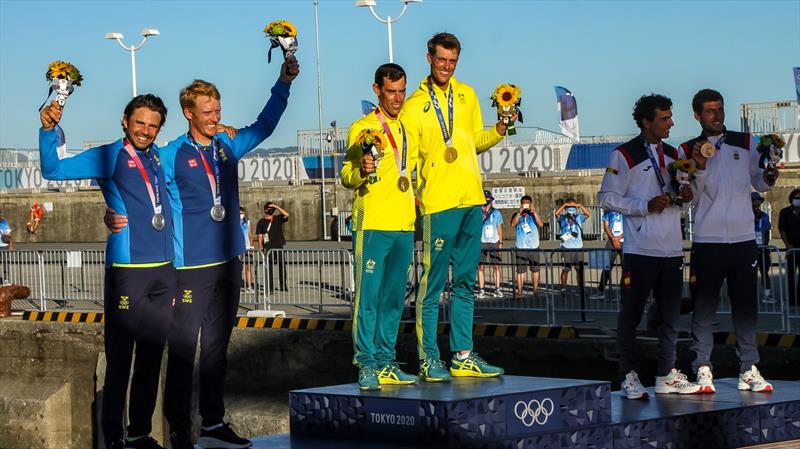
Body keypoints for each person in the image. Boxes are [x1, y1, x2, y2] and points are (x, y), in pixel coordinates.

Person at [106, 59, 299, 449]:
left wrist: (283, 82)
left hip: (229, 262)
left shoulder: (228, 144)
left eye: (218, 110)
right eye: (207, 112)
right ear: (188, 113)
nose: (215, 117)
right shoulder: (169, 153)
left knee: (216, 351)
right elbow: (137, 184)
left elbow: (264, 126)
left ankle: (212, 424)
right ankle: (179, 428)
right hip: (189, 269)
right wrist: (112, 211)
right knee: (181, 353)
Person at [40, 94, 176, 449]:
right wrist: (47, 129)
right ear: (125, 120)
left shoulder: (158, 156)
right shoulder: (108, 154)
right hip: (128, 270)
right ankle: (114, 438)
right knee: (119, 359)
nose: (145, 130)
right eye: (139, 122)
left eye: (153, 125)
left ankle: (139, 432)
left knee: (150, 357)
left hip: (163, 272)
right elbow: (54, 170)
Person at [402, 32, 508, 381]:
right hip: (438, 204)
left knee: (464, 283)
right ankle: (429, 358)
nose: (447, 66)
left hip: (471, 199)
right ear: (428, 58)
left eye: (453, 61)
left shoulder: (467, 95)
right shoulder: (414, 104)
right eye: (441, 60)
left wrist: (500, 129)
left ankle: (463, 355)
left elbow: (473, 141)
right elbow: (410, 159)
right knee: (431, 286)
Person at [598, 93, 700, 400]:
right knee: (630, 315)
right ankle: (628, 376)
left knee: (670, 315)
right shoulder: (624, 155)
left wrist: (686, 194)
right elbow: (606, 198)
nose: (671, 123)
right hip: (641, 249)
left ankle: (666, 374)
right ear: (646, 122)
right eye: (664, 119)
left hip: (671, 248)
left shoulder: (674, 155)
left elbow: (684, 190)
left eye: (671, 117)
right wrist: (644, 205)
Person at [682, 88, 776, 394]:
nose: (717, 115)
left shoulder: (746, 142)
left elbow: (758, 181)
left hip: (743, 238)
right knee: (704, 309)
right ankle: (703, 369)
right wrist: (701, 166)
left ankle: (748, 369)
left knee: (746, 308)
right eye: (710, 111)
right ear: (697, 115)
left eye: (720, 109)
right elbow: (690, 197)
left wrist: (769, 178)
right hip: (708, 240)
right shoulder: (687, 150)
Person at [341, 63, 419, 390]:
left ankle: (387, 361)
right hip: (372, 224)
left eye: (402, 91)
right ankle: (366, 362)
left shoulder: (408, 127)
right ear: (377, 90)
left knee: (393, 300)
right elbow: (346, 175)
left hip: (403, 225)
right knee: (368, 299)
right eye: (391, 91)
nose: (398, 98)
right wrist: (362, 167)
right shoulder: (362, 127)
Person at [554, 198, 590, 291]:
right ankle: (563, 287)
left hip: (578, 246)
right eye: (569, 207)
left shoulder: (578, 217)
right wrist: (564, 205)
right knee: (566, 269)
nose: (571, 208)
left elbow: (588, 214)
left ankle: (580, 288)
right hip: (566, 247)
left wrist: (580, 206)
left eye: (573, 207)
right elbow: (556, 214)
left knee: (579, 270)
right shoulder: (562, 218)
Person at [511, 195, 543, 297]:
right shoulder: (517, 214)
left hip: (533, 245)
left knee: (535, 269)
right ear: (520, 204)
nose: (526, 205)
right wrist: (519, 213)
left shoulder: (533, 215)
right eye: (524, 203)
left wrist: (535, 212)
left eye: (528, 203)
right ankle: (520, 291)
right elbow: (513, 224)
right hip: (521, 246)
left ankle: (535, 290)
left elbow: (541, 224)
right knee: (520, 271)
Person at [255, 201, 290, 292]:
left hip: (278, 245)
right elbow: (260, 235)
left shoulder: (278, 218)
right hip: (268, 247)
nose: (270, 210)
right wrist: (260, 247)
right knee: (269, 267)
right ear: (265, 210)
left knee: (282, 265)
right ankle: (270, 287)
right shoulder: (261, 222)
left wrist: (276, 206)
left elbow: (287, 214)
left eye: (272, 209)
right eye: (269, 208)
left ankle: (283, 286)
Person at [591, 209, 624, 300]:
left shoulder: (626, 208)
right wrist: (613, 238)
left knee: (627, 269)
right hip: (611, 241)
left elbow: (630, 226)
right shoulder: (608, 210)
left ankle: (624, 292)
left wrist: (620, 237)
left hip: (625, 241)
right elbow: (606, 226)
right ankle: (601, 291)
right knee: (606, 267)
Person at [477, 190, 503, 299]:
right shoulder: (477, 212)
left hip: (494, 242)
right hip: (482, 241)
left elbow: (499, 228)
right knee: (481, 267)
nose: (487, 201)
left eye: (489, 200)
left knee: (496, 266)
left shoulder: (496, 212)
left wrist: (500, 242)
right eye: (485, 199)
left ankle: (497, 288)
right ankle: (481, 289)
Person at [779, 188, 800, 307]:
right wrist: (787, 245)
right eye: (796, 198)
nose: (798, 200)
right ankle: (792, 300)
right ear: (791, 199)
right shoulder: (785, 212)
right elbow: (782, 229)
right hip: (791, 248)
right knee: (791, 274)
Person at [752, 192, 774, 304]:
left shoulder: (764, 216)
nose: (756, 203)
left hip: (762, 249)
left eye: (758, 201)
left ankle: (767, 295)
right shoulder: (746, 216)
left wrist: (764, 246)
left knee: (764, 271)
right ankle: (749, 296)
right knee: (749, 273)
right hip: (750, 250)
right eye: (753, 201)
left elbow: (766, 233)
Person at [240, 206, 254, 292]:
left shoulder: (247, 221)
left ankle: (249, 286)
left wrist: (251, 247)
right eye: (240, 212)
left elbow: (250, 234)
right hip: (237, 248)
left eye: (242, 212)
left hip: (247, 247)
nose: (241, 214)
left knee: (248, 268)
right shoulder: (233, 222)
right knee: (238, 269)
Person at [0, 210, 13, 286]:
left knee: (5, 263)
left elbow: (8, 235)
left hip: (4, 246)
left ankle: (5, 280)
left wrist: (11, 245)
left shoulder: (4, 223)